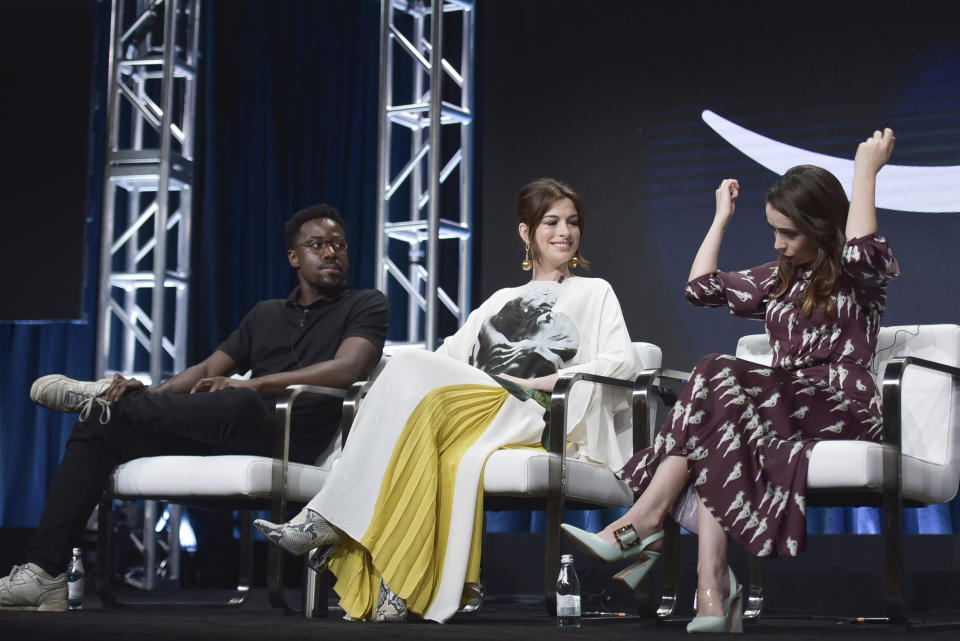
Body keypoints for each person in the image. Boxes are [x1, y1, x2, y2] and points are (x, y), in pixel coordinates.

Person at [254, 178, 640, 623]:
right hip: (475, 403)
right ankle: (396, 584)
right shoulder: (500, 300)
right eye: (551, 221)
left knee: (409, 370)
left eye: (572, 223)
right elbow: (446, 359)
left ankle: (329, 522)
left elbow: (620, 361)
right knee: (407, 380)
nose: (564, 232)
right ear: (525, 232)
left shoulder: (595, 291)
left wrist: (549, 380)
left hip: (531, 409)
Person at [562, 129, 899, 634]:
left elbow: (862, 251)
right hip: (778, 404)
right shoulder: (782, 275)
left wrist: (864, 173)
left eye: (789, 233)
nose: (778, 243)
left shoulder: (856, 276)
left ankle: (650, 521)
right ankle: (711, 589)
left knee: (715, 372)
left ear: (823, 226)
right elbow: (700, 289)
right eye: (773, 231)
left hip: (840, 404)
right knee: (718, 417)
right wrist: (721, 217)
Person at [0, 204, 389, 612]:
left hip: (285, 434)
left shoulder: (367, 304)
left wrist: (255, 384)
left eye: (338, 245)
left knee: (236, 398)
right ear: (294, 257)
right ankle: (44, 572)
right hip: (225, 427)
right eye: (317, 245)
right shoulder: (266, 314)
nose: (331, 253)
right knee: (101, 423)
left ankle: (116, 403)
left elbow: (349, 369)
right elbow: (207, 368)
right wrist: (150, 392)